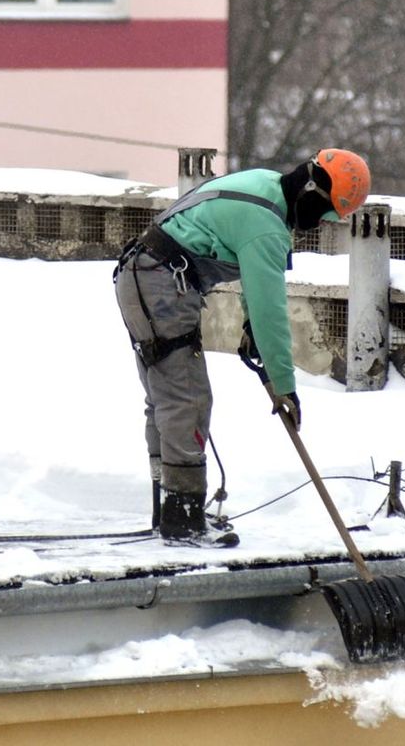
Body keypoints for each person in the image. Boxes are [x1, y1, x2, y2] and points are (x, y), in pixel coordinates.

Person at [114, 149, 371, 546]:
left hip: (145, 274)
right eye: (323, 215)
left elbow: (256, 295)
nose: (317, 225)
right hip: (159, 283)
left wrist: (252, 332)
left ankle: (169, 512)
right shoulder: (267, 226)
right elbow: (270, 309)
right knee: (186, 399)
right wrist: (284, 385)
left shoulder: (265, 187)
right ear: (313, 192)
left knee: (167, 398)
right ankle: (182, 522)